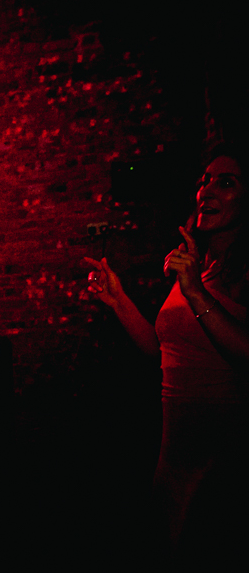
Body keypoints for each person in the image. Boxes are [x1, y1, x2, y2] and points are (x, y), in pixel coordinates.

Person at [85, 148, 249, 562]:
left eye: (225, 182)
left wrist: (194, 291)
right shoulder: (195, 264)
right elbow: (164, 355)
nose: (206, 190)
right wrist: (118, 300)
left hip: (223, 464)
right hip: (171, 461)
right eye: (204, 180)